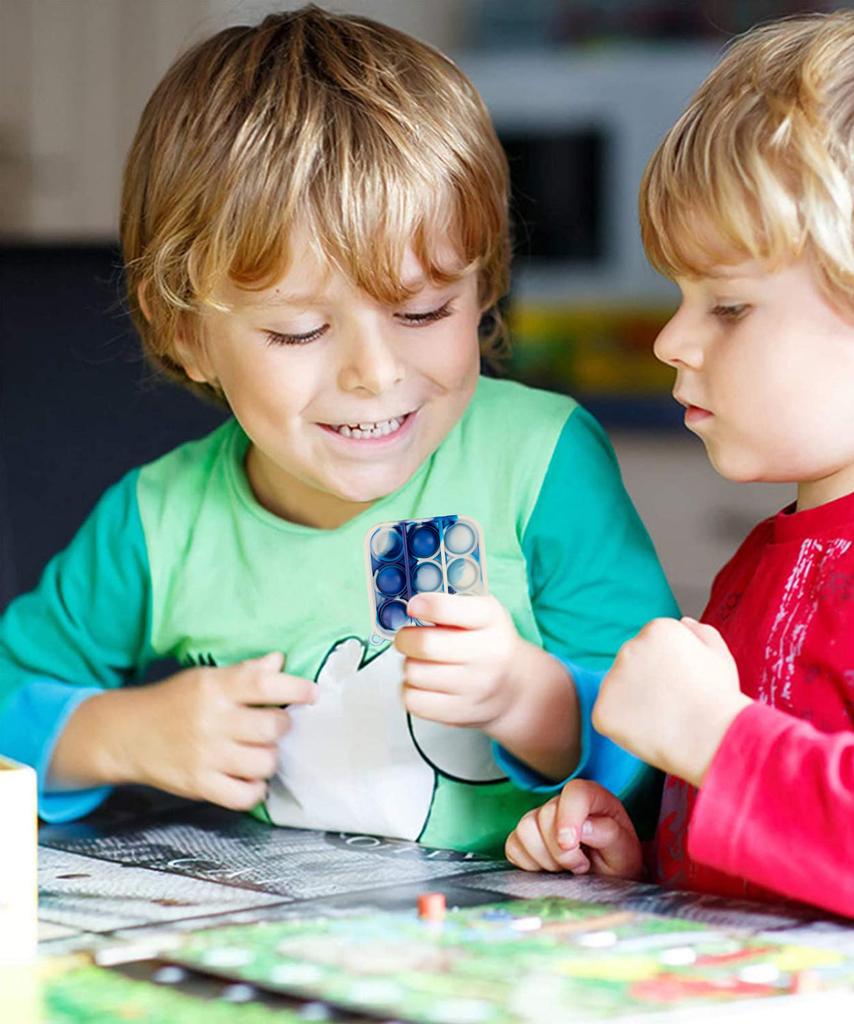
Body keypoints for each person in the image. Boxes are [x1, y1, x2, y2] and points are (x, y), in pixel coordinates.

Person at [0, 6, 676, 854]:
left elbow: (668, 735)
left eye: (423, 312)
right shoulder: (158, 523)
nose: (375, 373)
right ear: (185, 331)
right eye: (299, 331)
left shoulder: (541, 464)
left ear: (483, 287)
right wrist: (123, 734)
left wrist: (529, 702)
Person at [505, 9, 854, 938]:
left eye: (729, 306)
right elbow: (790, 851)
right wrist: (641, 856)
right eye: (682, 296)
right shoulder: (770, 553)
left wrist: (714, 736)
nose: (671, 339)